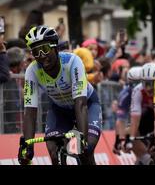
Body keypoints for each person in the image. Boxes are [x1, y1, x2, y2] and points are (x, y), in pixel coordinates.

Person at [18, 25, 102, 165]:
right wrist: (28, 146)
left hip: (86, 104)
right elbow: (30, 111)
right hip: (59, 110)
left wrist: (82, 138)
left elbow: (80, 105)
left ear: (55, 47)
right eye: (35, 52)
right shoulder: (32, 71)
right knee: (53, 151)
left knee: (84, 150)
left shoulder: (73, 62)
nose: (41, 56)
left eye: (44, 49)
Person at [127, 62, 155, 165]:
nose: (149, 88)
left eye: (152, 83)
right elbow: (134, 119)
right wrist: (131, 139)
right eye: (146, 83)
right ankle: (146, 158)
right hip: (148, 116)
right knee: (128, 130)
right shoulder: (138, 90)